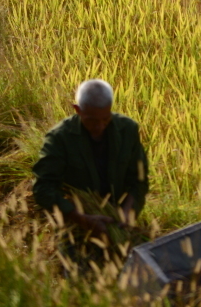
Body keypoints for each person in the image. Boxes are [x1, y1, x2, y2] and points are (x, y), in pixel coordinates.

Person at [33, 79, 149, 237]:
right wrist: (80, 218)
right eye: (92, 121)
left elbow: (140, 179)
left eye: (105, 119)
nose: (99, 126)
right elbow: (43, 188)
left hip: (117, 219)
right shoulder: (59, 138)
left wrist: (129, 209)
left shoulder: (127, 130)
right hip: (77, 222)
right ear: (78, 110)